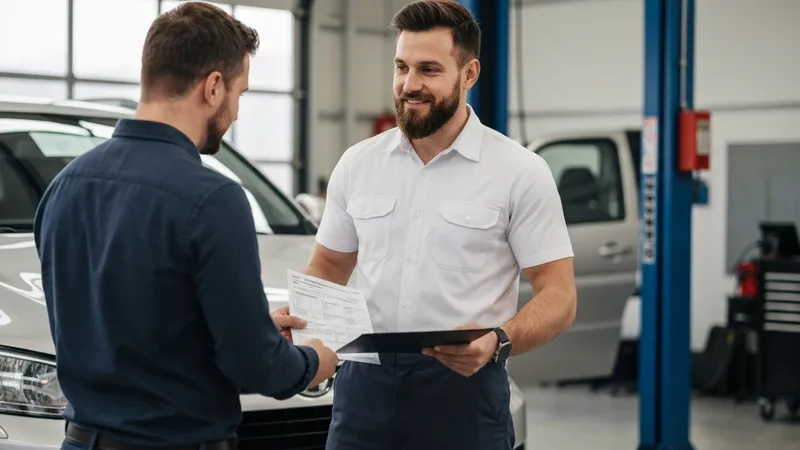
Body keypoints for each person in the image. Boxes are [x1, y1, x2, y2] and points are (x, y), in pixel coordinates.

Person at [32, 3, 338, 449]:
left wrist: (249, 324)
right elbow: (256, 367)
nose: (235, 112)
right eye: (240, 93)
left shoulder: (62, 188)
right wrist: (314, 361)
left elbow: (127, 327)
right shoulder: (214, 199)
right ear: (213, 86)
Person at [291, 0, 577, 449]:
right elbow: (327, 267)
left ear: (469, 74)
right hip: (363, 389)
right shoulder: (358, 164)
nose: (409, 85)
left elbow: (559, 295)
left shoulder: (519, 172)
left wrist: (500, 341)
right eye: (401, 67)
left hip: (465, 391)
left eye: (428, 70)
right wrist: (305, 335)